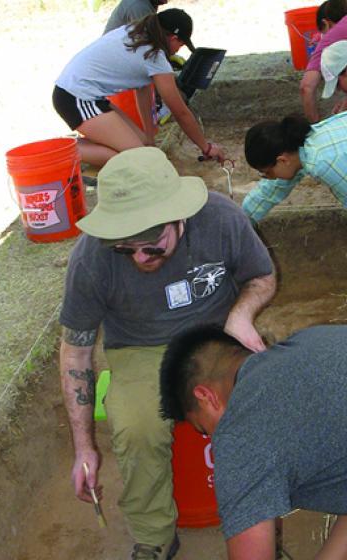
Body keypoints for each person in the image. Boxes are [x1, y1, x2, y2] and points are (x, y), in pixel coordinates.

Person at [59, 146, 276, 559]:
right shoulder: (90, 258)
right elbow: (75, 353)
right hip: (140, 348)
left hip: (218, 334)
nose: (140, 257)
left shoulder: (220, 218)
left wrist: (242, 316)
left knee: (255, 409)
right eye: (126, 248)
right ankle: (153, 537)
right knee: (137, 426)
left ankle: (262, 523)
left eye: (152, 246)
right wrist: (83, 447)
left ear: (179, 217)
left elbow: (261, 277)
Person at [159, 324, 347, 560]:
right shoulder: (310, 338)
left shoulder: (238, 436)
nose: (213, 438)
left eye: (204, 429)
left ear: (205, 396)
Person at [53, 9, 225, 167]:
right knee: (136, 159)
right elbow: (180, 111)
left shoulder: (137, 32)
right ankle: (62, 151)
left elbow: (143, 91)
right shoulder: (155, 57)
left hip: (88, 96)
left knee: (144, 146)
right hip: (76, 98)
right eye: (180, 45)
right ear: (173, 38)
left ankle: (87, 145)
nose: (177, 50)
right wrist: (206, 147)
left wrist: (149, 138)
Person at [241, 113, 347, 223]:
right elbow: (270, 190)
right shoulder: (300, 149)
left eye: (267, 173)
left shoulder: (324, 163)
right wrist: (242, 220)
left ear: (282, 160)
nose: (270, 178)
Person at [300, 0, 347, 122]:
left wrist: (318, 130)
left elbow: (306, 87)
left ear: (325, 23)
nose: (339, 90)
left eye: (337, 83)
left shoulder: (332, 37)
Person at [104, 0, 168, 35]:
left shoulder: (149, 3)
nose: (167, 2)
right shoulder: (139, 6)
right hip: (112, 51)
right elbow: (147, 39)